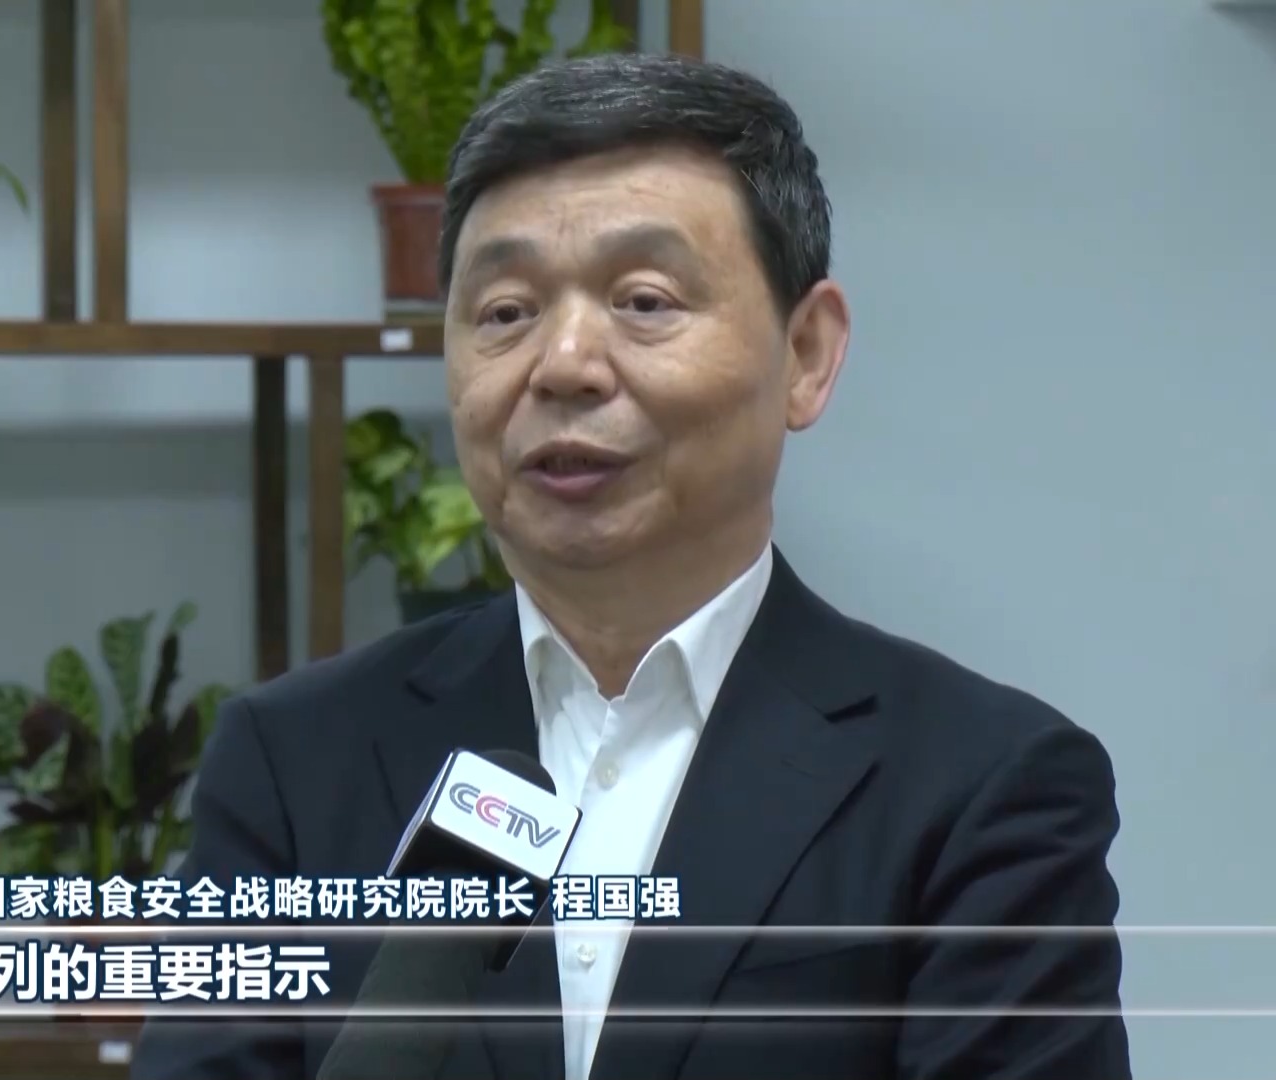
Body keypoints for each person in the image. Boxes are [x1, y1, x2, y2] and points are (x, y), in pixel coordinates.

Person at [131, 51, 1130, 1080]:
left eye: (645, 301)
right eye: (506, 312)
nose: (564, 365)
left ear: (806, 353)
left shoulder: (979, 785)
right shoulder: (296, 762)